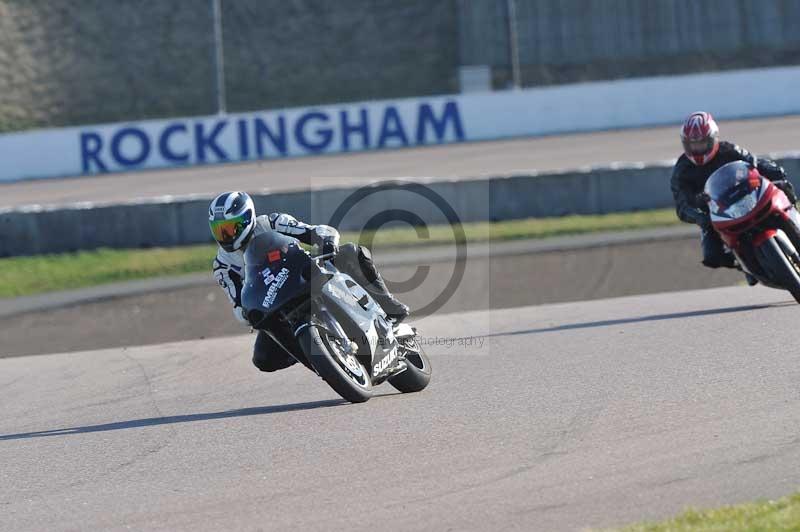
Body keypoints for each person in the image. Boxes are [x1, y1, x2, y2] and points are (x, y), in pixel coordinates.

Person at [209, 190, 409, 373]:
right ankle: (319, 353)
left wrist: (327, 243)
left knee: (350, 253)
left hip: (304, 274)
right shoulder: (222, 265)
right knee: (263, 359)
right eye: (219, 231)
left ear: (246, 219)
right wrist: (246, 313)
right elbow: (238, 304)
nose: (225, 236)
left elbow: (318, 231)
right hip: (277, 305)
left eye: (230, 229)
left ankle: (389, 308)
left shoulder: (271, 222)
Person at [670, 111, 797, 280]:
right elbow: (681, 206)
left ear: (713, 138)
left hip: (746, 197)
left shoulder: (729, 150)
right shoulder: (682, 171)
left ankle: (794, 217)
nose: (697, 148)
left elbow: (752, 162)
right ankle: (744, 263)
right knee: (712, 256)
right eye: (692, 144)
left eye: (701, 143)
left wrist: (770, 169)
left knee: (782, 185)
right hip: (716, 212)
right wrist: (699, 216)